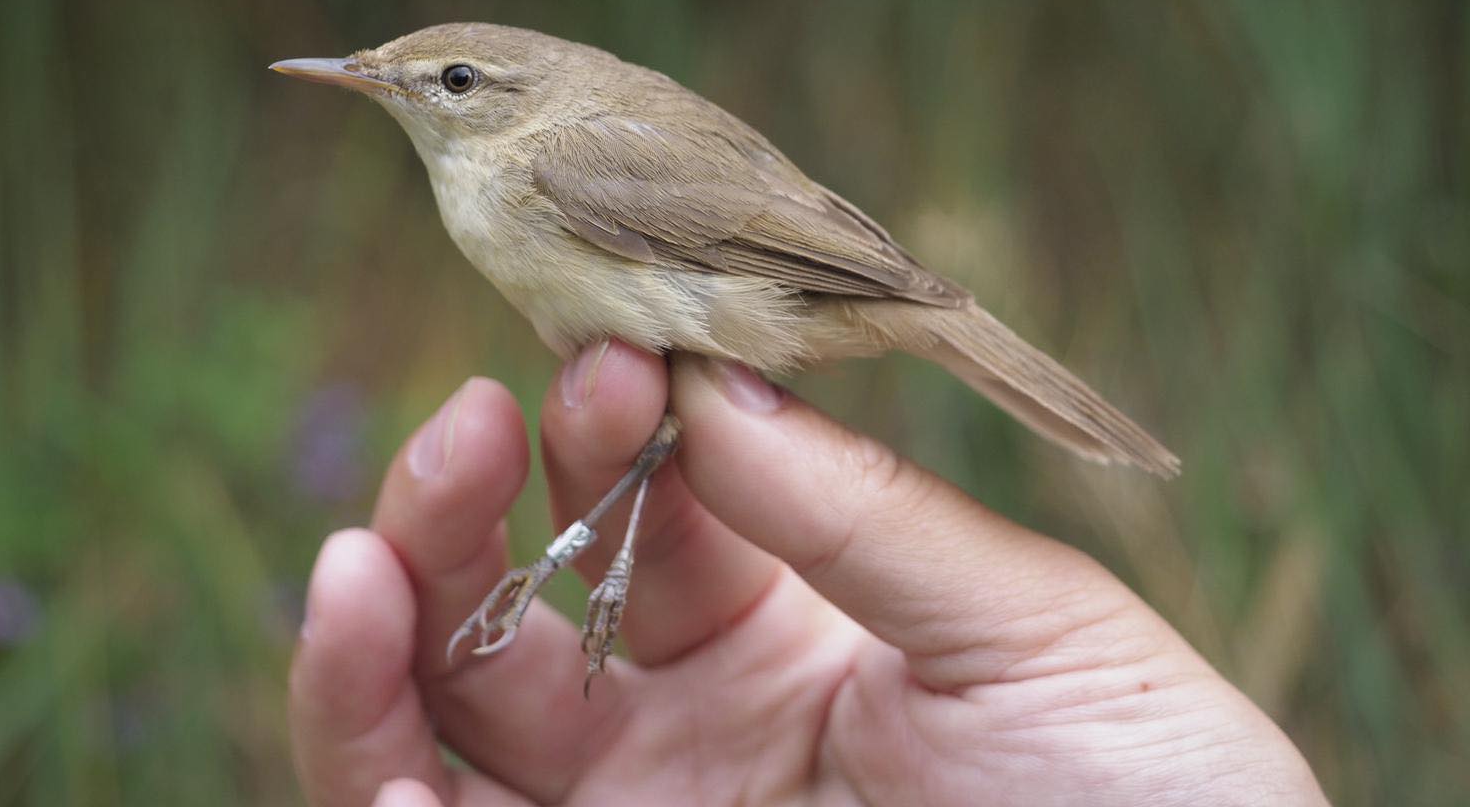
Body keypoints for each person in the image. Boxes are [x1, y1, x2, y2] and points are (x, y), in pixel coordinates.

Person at [288, 341, 1328, 806]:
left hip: (761, 296)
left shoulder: (551, 161)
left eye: (455, 82)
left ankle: (573, 568)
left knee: (651, 426)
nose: (422, 95)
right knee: (639, 428)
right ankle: (572, 567)